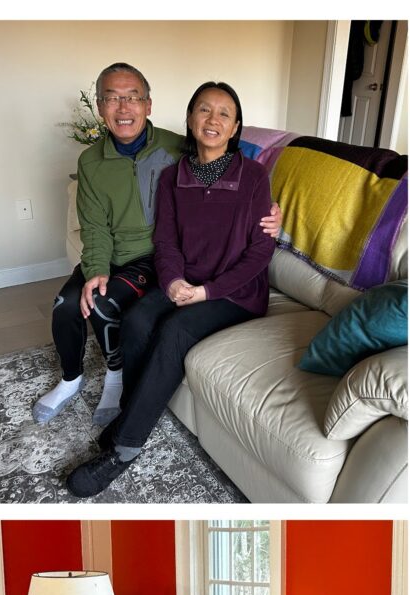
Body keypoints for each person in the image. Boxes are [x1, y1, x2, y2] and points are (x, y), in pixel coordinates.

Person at [33, 65, 280, 429]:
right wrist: (97, 268)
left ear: (148, 104)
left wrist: (272, 212)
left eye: (133, 97)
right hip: (116, 254)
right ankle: (71, 379)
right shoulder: (91, 161)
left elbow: (229, 163)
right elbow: (95, 226)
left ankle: (116, 379)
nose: (123, 107)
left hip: (151, 257)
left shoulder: (176, 146)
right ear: (100, 107)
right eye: (112, 98)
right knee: (65, 304)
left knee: (102, 304)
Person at [67, 81, 275, 497]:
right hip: (185, 280)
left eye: (224, 113)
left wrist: (206, 292)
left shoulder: (253, 176)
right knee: (137, 319)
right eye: (204, 109)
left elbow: (261, 251)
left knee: (174, 330)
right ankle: (131, 414)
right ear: (190, 119)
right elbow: (166, 242)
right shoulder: (172, 177)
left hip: (235, 293)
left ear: (235, 128)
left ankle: (124, 448)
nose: (213, 119)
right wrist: (176, 281)